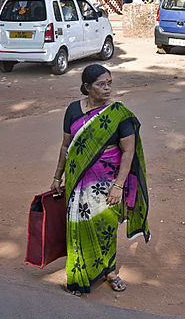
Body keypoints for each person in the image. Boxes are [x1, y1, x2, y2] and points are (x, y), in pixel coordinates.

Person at [51, 64, 149, 295]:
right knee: (78, 226)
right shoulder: (73, 110)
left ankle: (110, 271)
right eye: (101, 84)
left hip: (106, 184)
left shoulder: (118, 115)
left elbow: (128, 152)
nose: (107, 88)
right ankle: (79, 275)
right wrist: (57, 176)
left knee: (105, 227)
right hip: (77, 182)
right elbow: (66, 145)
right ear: (87, 87)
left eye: (110, 83)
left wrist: (118, 186)